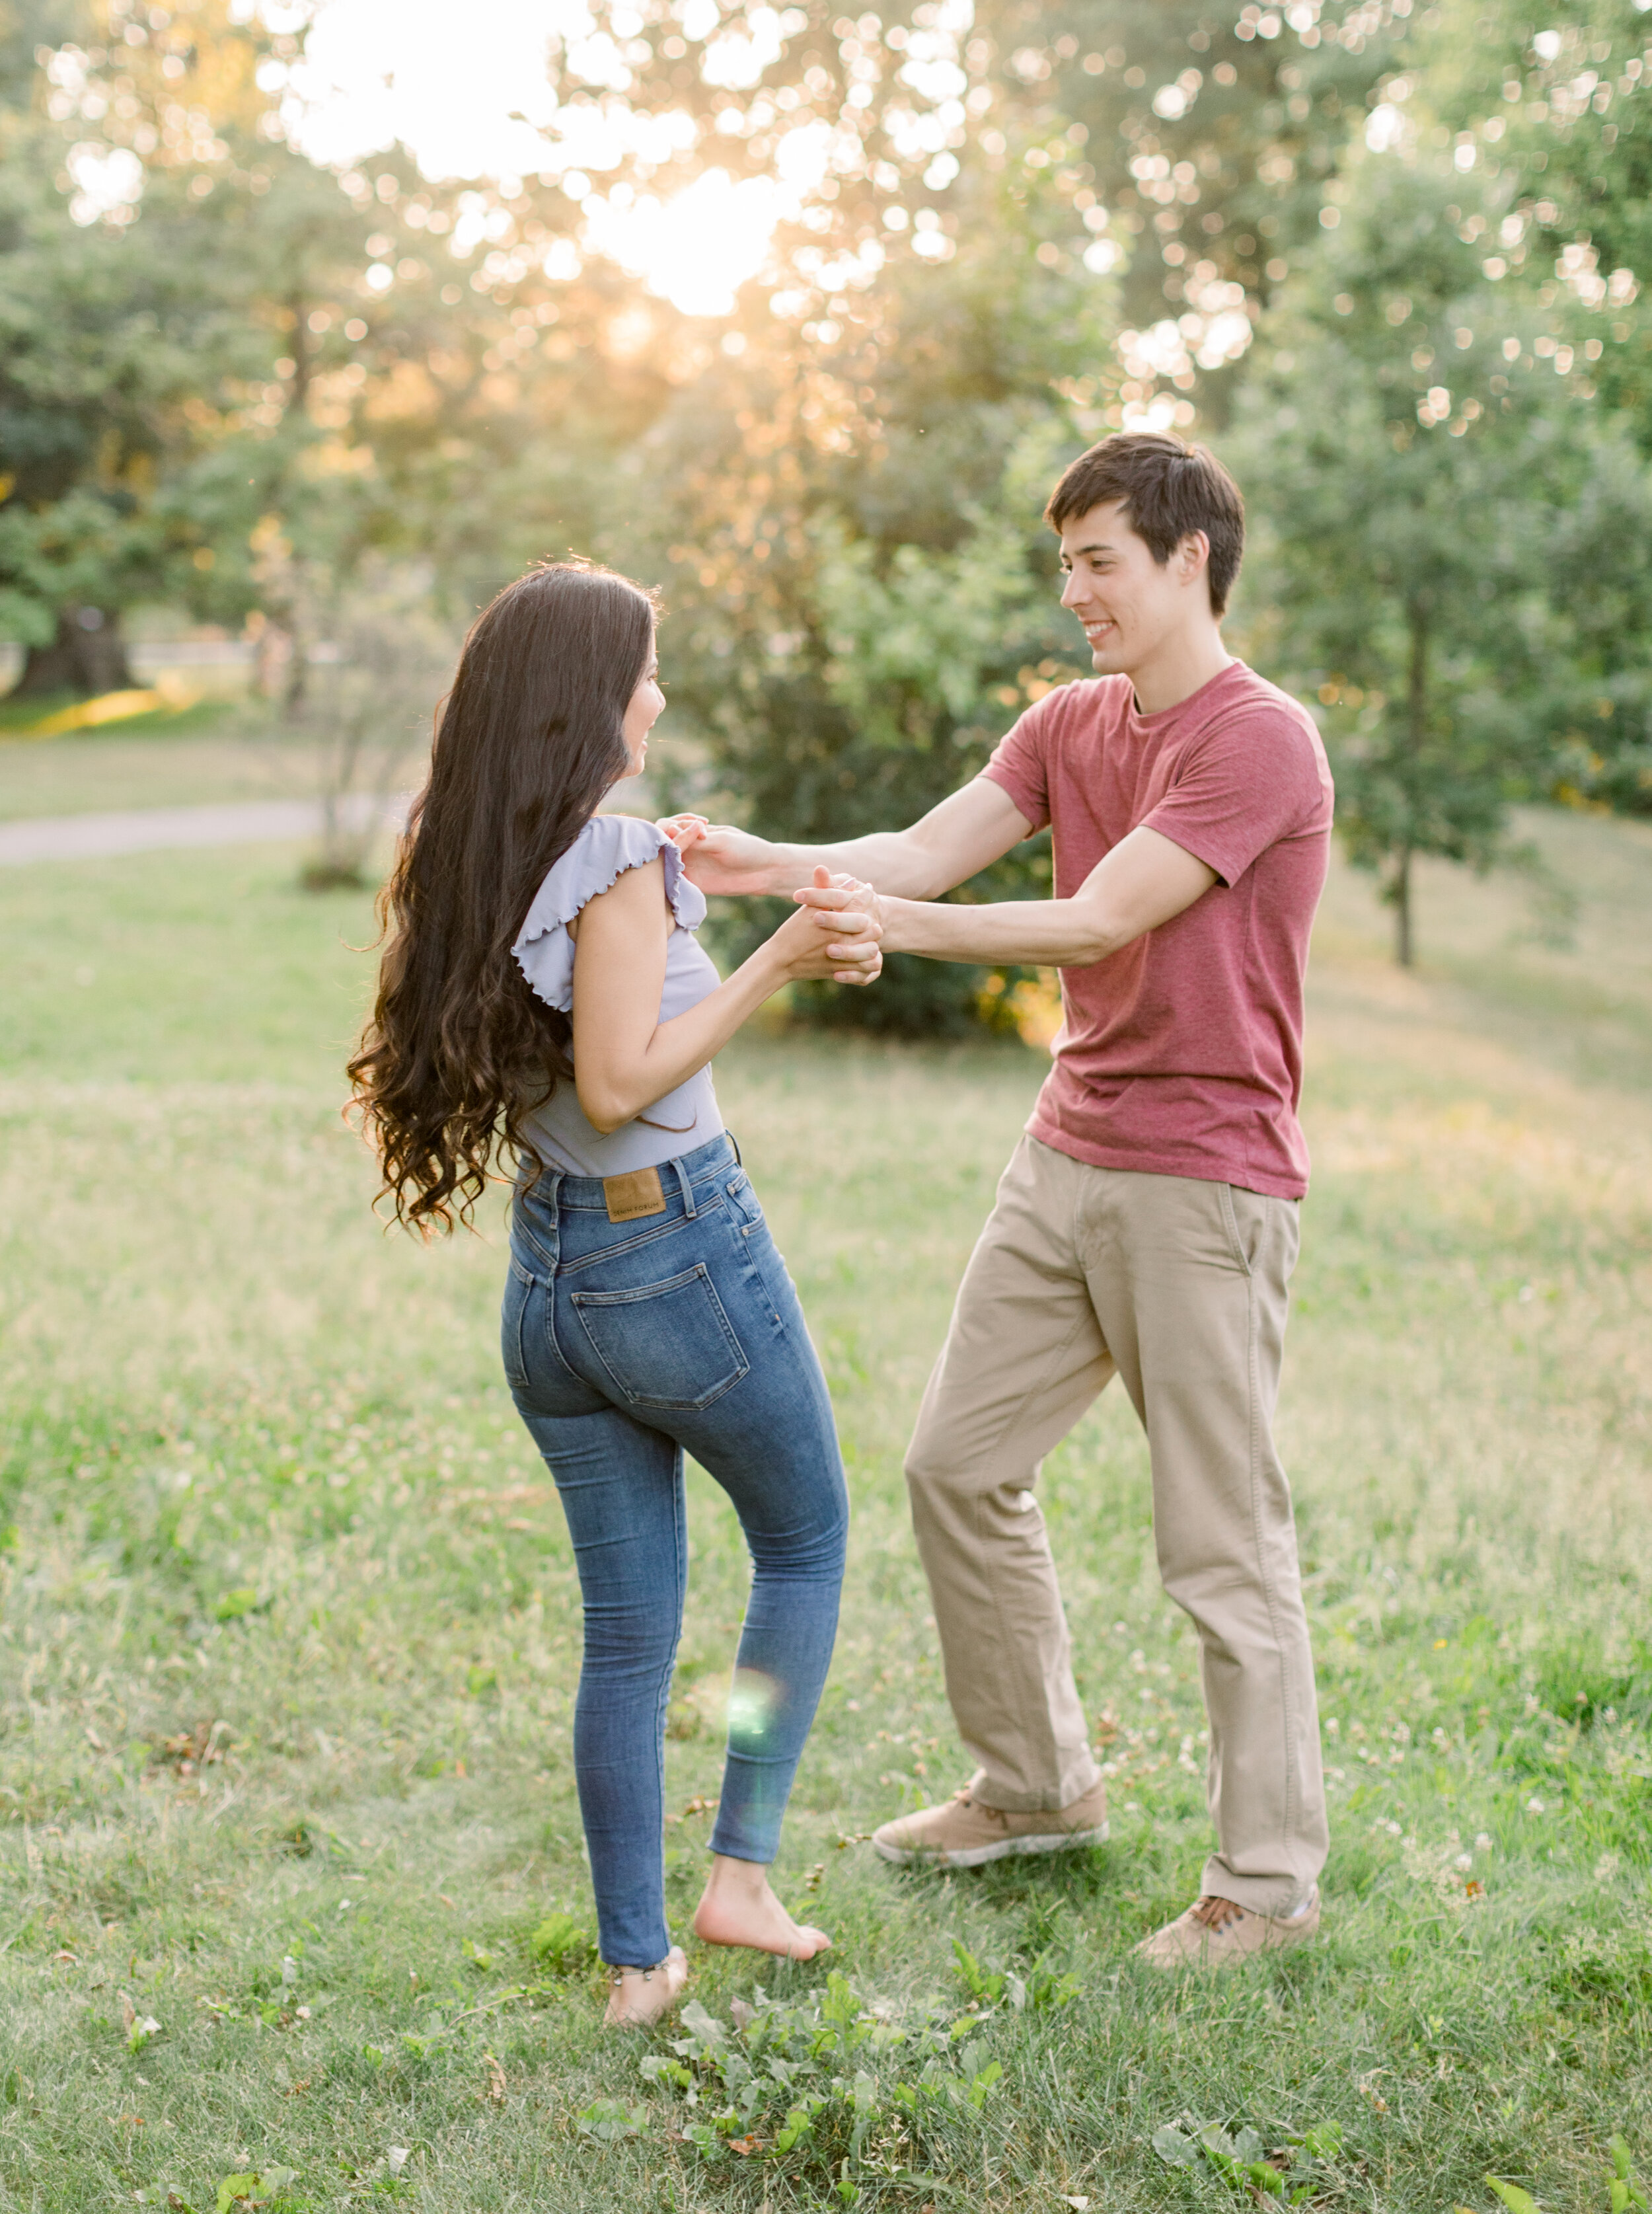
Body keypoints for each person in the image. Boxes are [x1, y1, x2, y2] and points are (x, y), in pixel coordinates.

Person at [677, 432, 1334, 1969]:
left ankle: (1267, 1880)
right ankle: (1035, 1786)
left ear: (1187, 560)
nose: (1072, 590)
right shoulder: (1067, 723)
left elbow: (1104, 919)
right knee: (954, 1465)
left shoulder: (1260, 741)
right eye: (1064, 562)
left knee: (1218, 1541)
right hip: (1066, 1155)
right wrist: (759, 860)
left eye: (1098, 559)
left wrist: (888, 926)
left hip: (1203, 1182)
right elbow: (917, 845)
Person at [348, 558, 882, 2027]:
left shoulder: (484, 850)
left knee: (627, 1631)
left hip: (552, 1283)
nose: (658, 693)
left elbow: (573, 1059)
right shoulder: (619, 857)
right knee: (807, 1540)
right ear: (592, 696)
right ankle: (743, 1876)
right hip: (677, 1256)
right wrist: (771, 957)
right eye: (645, 669)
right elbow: (624, 1079)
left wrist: (727, 870)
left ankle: (637, 1967)